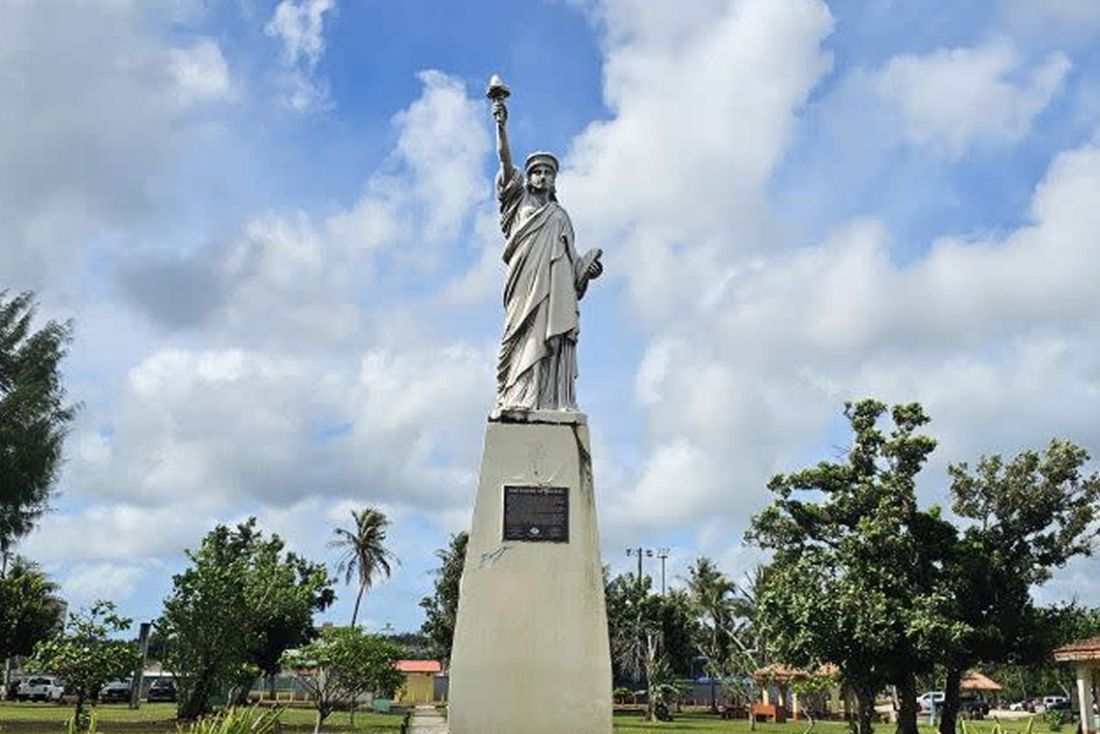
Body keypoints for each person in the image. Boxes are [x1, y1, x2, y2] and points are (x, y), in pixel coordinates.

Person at [491, 96, 603, 412]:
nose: (541, 176)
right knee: (522, 337)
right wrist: (500, 124)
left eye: (547, 172)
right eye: (536, 171)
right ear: (528, 177)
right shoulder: (517, 202)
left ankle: (551, 399)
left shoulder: (560, 216)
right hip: (524, 286)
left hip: (553, 292)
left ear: (554, 180)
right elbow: (504, 160)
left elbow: (572, 267)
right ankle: (518, 396)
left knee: (550, 337)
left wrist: (587, 271)